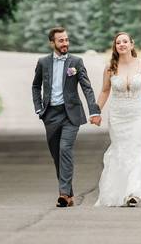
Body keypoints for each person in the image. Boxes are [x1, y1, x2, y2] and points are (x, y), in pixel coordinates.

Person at [31, 26, 101, 207]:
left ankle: (62, 193)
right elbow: (35, 86)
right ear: (52, 42)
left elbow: (87, 87)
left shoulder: (76, 62)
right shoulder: (43, 62)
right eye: (61, 40)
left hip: (71, 114)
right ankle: (68, 194)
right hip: (50, 115)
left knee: (65, 150)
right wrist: (39, 109)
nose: (65, 43)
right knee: (56, 155)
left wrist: (94, 110)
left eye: (66, 40)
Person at [93, 31, 141, 207]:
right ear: (115, 47)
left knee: (137, 149)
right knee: (121, 150)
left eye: (124, 41)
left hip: (138, 114)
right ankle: (118, 192)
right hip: (118, 115)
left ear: (132, 44)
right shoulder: (110, 67)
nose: (121, 44)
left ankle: (134, 192)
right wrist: (96, 112)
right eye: (118, 43)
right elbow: (105, 91)